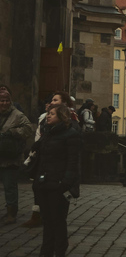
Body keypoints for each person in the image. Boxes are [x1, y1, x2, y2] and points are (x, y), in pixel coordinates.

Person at [30, 104, 80, 257]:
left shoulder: (70, 134)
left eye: (52, 113)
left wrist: (65, 183)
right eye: (48, 113)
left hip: (58, 184)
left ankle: (59, 250)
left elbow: (73, 161)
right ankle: (46, 251)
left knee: (58, 220)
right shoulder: (47, 132)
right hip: (44, 183)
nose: (48, 116)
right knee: (47, 220)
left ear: (61, 116)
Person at [0, 88, 34, 224]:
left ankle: (11, 214)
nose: (4, 103)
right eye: (2, 100)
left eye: (7, 100)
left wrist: (13, 132)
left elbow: (28, 129)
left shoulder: (17, 115)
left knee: (10, 187)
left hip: (10, 158)